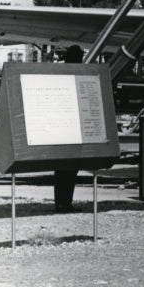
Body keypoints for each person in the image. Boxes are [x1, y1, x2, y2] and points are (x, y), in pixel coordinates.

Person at [54, 44, 83, 213]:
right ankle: (66, 202)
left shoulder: (59, 73)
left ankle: (60, 202)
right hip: (74, 129)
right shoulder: (80, 73)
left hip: (61, 129)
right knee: (71, 169)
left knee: (60, 169)